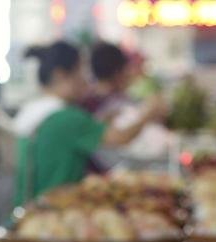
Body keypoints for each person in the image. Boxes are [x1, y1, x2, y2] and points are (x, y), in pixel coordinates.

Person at [13, 41, 163, 207]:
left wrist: (101, 121)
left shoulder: (33, 111)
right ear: (60, 75)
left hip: (28, 206)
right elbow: (121, 138)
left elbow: (70, 137)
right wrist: (147, 115)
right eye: (80, 70)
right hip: (56, 209)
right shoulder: (68, 117)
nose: (86, 80)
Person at [82, 41, 135, 119]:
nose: (129, 75)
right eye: (126, 70)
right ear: (118, 73)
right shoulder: (119, 104)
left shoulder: (83, 103)